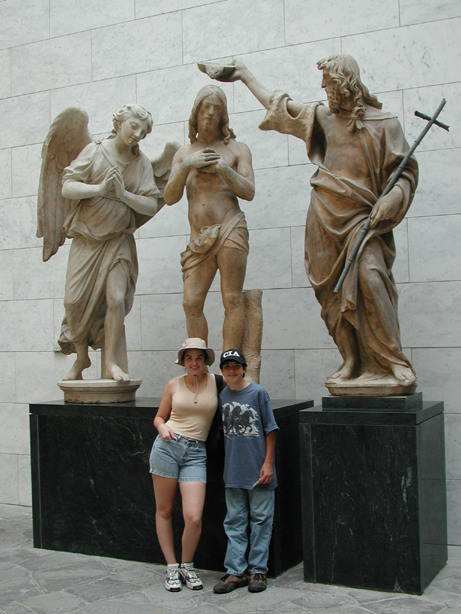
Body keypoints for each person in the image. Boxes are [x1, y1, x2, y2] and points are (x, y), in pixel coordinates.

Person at [207, 56, 418, 390]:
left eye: (329, 82)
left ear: (346, 82)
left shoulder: (385, 123)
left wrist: (394, 196)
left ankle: (393, 360)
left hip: (363, 219)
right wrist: (245, 75)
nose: (323, 87)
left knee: (371, 276)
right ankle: (351, 360)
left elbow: (405, 172)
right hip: (323, 216)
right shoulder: (322, 117)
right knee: (332, 294)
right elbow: (280, 106)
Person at [59, 104, 159, 382]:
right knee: (73, 301)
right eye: (133, 126)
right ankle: (81, 358)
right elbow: (67, 186)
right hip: (87, 239)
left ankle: (111, 362)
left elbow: (151, 204)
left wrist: (123, 194)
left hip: (118, 241)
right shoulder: (94, 151)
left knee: (115, 299)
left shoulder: (141, 164)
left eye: (143, 132)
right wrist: (100, 189)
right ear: (120, 123)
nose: (137, 134)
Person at [163, 85, 255, 352]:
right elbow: (169, 197)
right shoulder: (183, 153)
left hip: (230, 228)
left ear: (223, 115)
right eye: (206, 107)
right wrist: (187, 165)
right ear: (196, 112)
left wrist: (225, 169)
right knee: (191, 302)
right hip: (199, 238)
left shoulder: (238, 149)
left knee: (232, 299)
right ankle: (198, 364)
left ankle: (230, 364)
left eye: (217, 109)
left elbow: (249, 191)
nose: (210, 113)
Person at [149, 338, 221, 592]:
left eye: (199, 357)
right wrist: (162, 427)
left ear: (206, 360)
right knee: (164, 510)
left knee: (194, 516)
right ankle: (172, 567)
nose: (194, 362)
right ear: (182, 361)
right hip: (167, 448)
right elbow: (159, 416)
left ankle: (187, 565)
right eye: (189, 358)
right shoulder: (174, 384)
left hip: (196, 453)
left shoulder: (217, 382)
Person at [213, 349, 278, 595]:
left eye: (236, 366)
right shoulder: (222, 397)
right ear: (222, 371)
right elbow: (222, 436)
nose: (232, 371)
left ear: (244, 368)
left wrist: (268, 463)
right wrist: (225, 467)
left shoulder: (258, 393)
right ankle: (235, 571)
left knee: (261, 519)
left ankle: (258, 570)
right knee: (234, 521)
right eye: (227, 367)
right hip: (233, 470)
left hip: (258, 469)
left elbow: (271, 429)